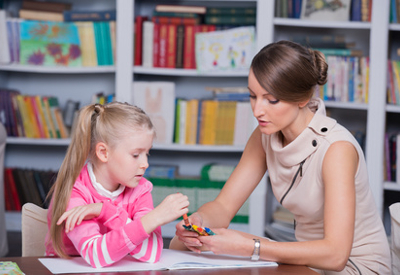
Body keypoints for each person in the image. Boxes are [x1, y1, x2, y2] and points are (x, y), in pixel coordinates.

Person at [170, 40, 391, 274]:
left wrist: (252, 247)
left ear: (302, 99)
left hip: (353, 265)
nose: (257, 110)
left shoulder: (337, 149)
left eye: (271, 100)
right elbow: (224, 206)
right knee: (183, 244)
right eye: (253, 96)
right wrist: (200, 221)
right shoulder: (265, 134)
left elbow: (336, 255)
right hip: (307, 261)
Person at [45, 102, 189, 268]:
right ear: (103, 153)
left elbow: (151, 253)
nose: (146, 163)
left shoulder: (140, 189)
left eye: (147, 153)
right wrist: (155, 218)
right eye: (136, 155)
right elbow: (96, 255)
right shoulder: (75, 191)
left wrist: (104, 211)